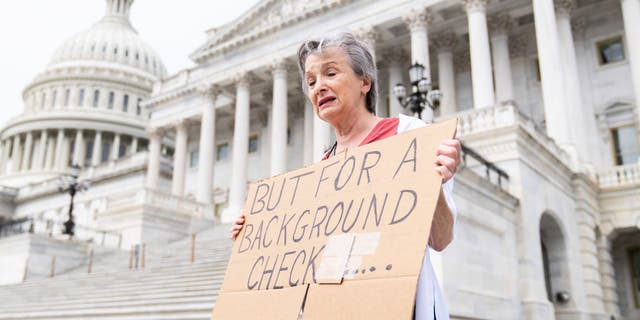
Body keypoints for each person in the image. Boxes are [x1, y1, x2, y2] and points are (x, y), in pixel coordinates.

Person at [230, 32, 461, 320]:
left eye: (330, 73)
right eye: (311, 81)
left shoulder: (409, 135)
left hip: (399, 306)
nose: (318, 87)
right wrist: (257, 234)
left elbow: (440, 239)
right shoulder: (321, 169)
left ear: (365, 82)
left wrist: (434, 183)